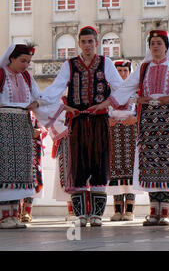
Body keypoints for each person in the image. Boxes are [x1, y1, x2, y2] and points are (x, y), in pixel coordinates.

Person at [92, 30, 169, 226]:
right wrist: (132, 100)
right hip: (148, 121)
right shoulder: (143, 68)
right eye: (152, 43)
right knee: (150, 164)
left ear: (166, 46)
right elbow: (125, 88)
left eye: (159, 43)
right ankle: (154, 211)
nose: (155, 47)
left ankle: (166, 212)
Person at [38, 26, 124, 227]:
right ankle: (80, 215)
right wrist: (58, 104)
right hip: (77, 121)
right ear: (79, 43)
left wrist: (105, 104)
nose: (87, 45)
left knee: (99, 164)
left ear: (97, 43)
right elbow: (55, 89)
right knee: (78, 165)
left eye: (90, 42)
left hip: (99, 120)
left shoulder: (106, 63)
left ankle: (96, 215)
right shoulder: (70, 65)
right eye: (83, 42)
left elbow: (120, 87)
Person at [0, 43, 41, 229]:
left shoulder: (26, 76)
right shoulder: (1, 74)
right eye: (23, 60)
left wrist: (36, 104)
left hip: (23, 124)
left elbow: (39, 97)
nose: (26, 65)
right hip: (4, 125)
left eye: (29, 61)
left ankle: (14, 214)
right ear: (12, 59)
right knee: (4, 169)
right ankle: (3, 216)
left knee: (21, 170)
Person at [107, 59, 138, 222]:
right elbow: (102, 109)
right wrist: (107, 120)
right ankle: (118, 209)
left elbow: (141, 109)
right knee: (114, 168)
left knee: (131, 168)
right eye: (119, 71)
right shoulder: (107, 91)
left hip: (130, 131)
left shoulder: (135, 90)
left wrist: (136, 119)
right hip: (113, 131)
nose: (122, 74)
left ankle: (130, 209)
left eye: (125, 71)